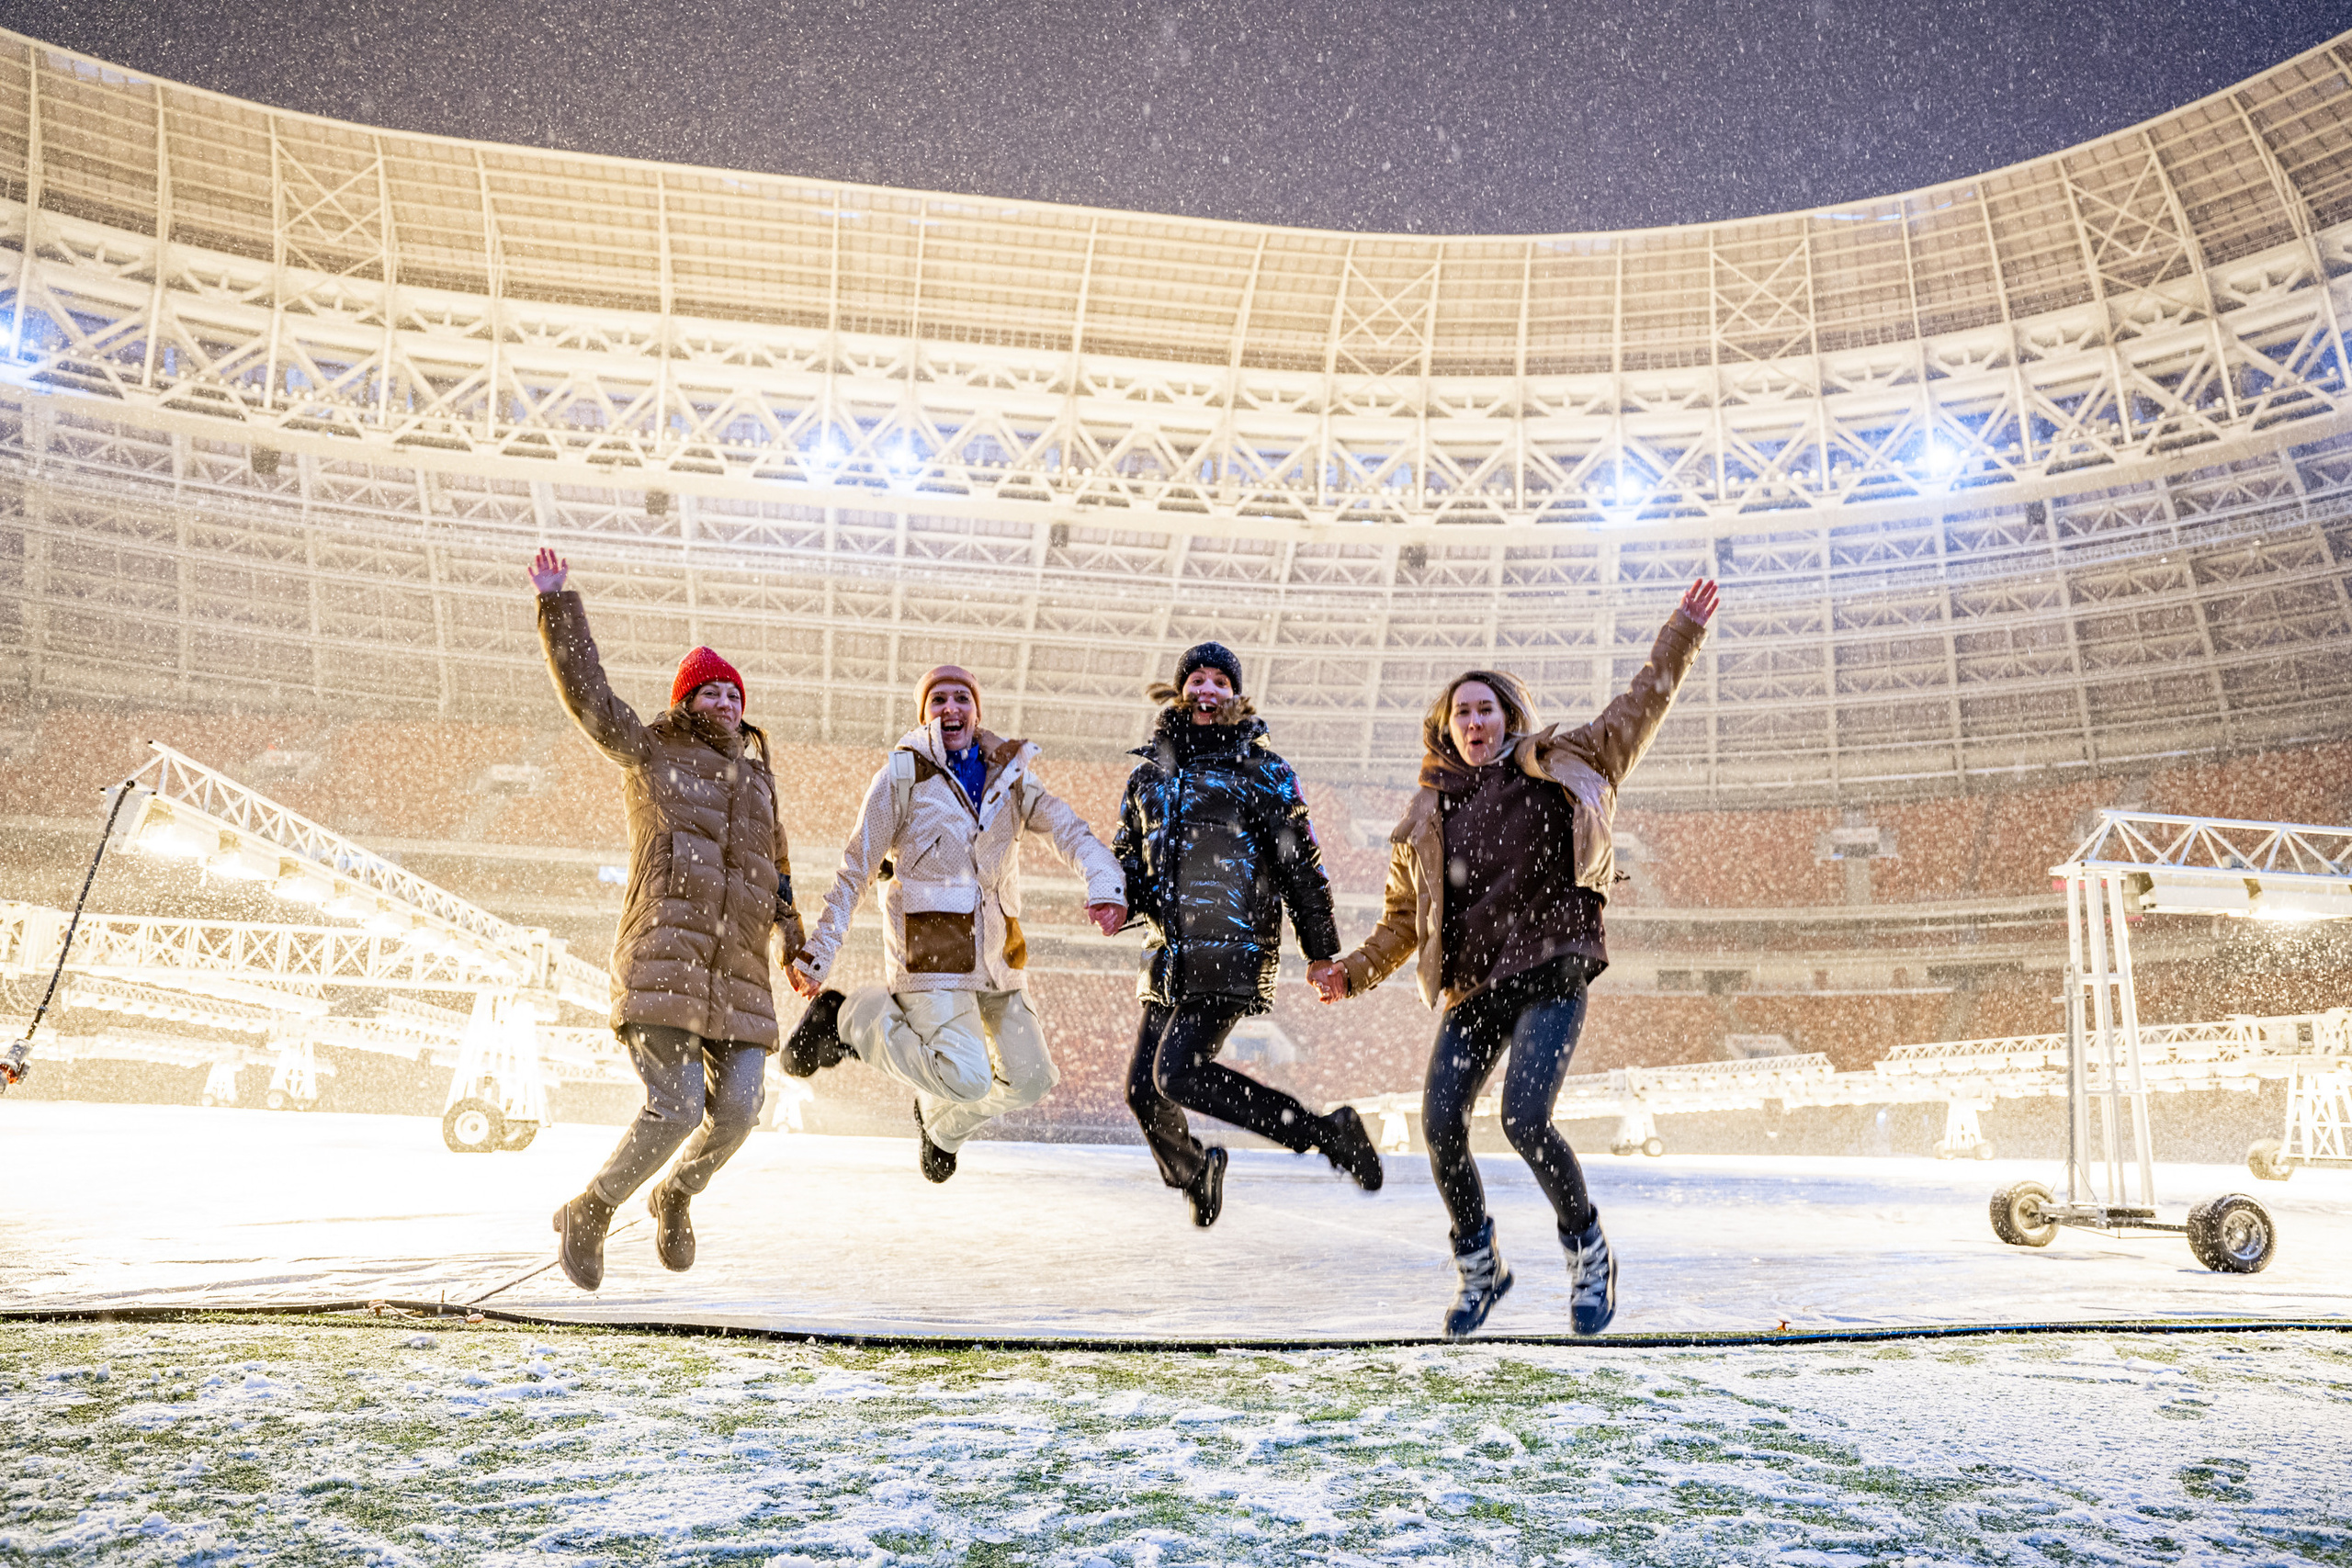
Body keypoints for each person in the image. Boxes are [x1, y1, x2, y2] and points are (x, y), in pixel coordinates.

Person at [1311, 580, 1718, 1339]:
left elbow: (1642, 705)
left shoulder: (1565, 760)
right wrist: (1352, 970)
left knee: (1526, 1119)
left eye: (1485, 708)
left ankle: (1589, 1251)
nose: (1474, 720)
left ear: (1507, 717)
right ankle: (1480, 1266)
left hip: (1554, 967)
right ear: (1445, 727)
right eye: (1460, 711)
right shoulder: (1423, 820)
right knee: (1440, 1125)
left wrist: (1682, 634)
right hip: (1473, 988)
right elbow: (1404, 923)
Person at [531, 547, 805, 1292]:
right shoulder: (651, 752)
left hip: (741, 975)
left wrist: (795, 940)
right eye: (709, 692)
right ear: (687, 701)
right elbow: (590, 695)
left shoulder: (761, 783)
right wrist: (559, 604)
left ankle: (676, 1193)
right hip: (665, 959)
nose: (723, 702)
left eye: (731, 693)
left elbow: (777, 871)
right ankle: (591, 1208)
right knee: (678, 1106)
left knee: (741, 1112)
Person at [782, 666, 1127, 1180]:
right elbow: (856, 867)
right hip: (933, 956)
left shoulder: (1010, 778)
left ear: (977, 713)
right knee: (967, 1078)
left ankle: (941, 1127)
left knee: (1032, 1080)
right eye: (937, 699)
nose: (951, 707)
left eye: (962, 697)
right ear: (924, 717)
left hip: (999, 958)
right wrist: (820, 951)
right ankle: (847, 1019)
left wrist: (1105, 884)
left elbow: (1070, 832)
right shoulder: (902, 776)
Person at [1115, 641, 1383, 1227]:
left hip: (1232, 948)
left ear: (1235, 695)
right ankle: (1193, 1170)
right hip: (1168, 954)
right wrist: (1115, 897)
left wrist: (1321, 953)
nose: (1207, 690)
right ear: (1180, 690)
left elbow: (1301, 866)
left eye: (1219, 681)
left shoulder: (1264, 771)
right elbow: (1127, 859)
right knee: (1144, 1091)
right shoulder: (1148, 776)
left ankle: (1327, 1133)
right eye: (1197, 679)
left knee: (1177, 1073)